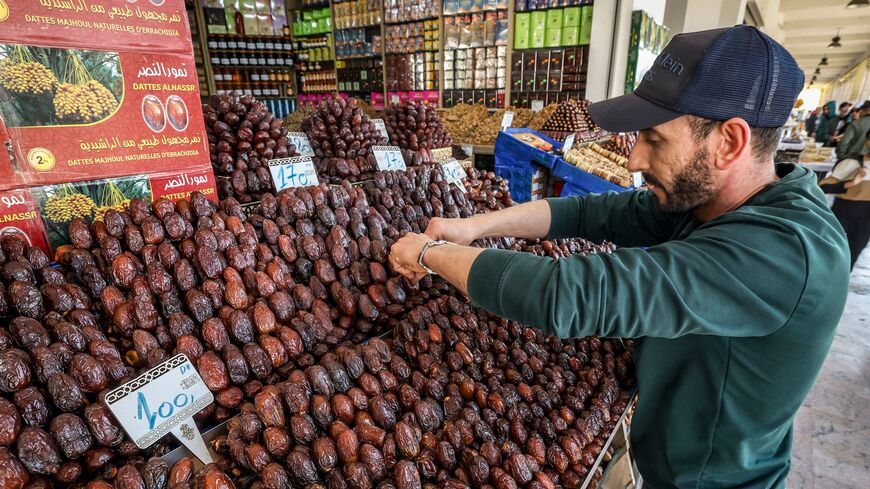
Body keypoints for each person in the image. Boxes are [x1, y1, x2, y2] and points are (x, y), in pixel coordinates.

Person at [390, 25, 850, 488]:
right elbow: (591, 213)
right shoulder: (716, 198)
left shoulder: (785, 253)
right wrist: (476, 226)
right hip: (670, 455)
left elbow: (571, 293)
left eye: (655, 139)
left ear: (728, 143)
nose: (633, 160)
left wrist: (432, 254)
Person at [823, 127, 870, 269]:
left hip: (866, 221)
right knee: (831, 253)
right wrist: (851, 183)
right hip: (843, 213)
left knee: (852, 256)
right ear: (868, 142)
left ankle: (838, 288)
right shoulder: (852, 162)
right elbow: (823, 186)